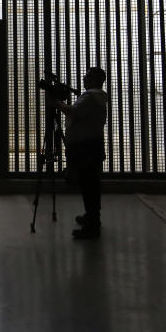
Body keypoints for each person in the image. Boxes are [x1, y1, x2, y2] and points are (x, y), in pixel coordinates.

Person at [53, 67, 108, 239]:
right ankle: (92, 217)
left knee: (88, 185)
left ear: (96, 79)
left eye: (87, 76)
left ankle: (92, 226)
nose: (84, 79)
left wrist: (56, 103)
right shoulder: (99, 96)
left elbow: (73, 112)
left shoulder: (91, 96)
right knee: (91, 184)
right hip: (93, 146)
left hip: (86, 148)